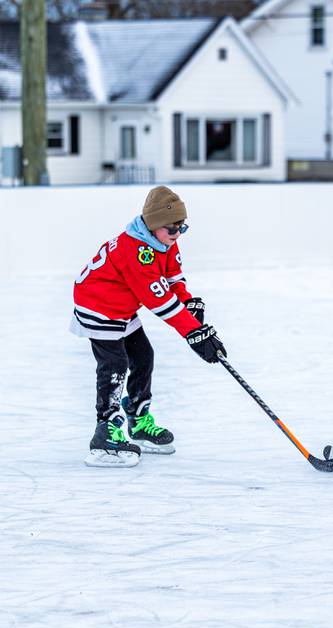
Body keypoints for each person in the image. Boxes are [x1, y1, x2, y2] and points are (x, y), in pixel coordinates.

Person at [71, 186, 226, 468]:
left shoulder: (164, 241)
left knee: (143, 356)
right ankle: (105, 430)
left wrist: (189, 305)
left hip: (122, 306)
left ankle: (139, 418)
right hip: (98, 305)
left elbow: (174, 279)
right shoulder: (136, 251)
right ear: (153, 225)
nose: (177, 234)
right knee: (115, 365)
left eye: (182, 227)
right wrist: (194, 333)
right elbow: (160, 301)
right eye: (171, 228)